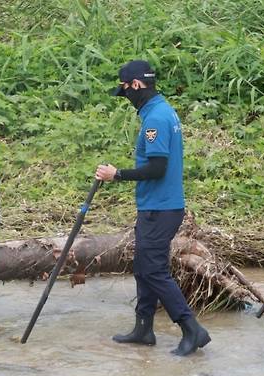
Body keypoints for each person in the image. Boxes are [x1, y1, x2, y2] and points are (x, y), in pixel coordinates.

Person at [95, 60, 211, 355]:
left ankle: (191, 329)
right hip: (155, 206)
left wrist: (117, 174)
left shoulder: (156, 119)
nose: (127, 100)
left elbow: (157, 168)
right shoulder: (160, 111)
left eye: (126, 92)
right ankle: (144, 328)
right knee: (143, 268)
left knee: (154, 270)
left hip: (161, 208)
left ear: (136, 85)